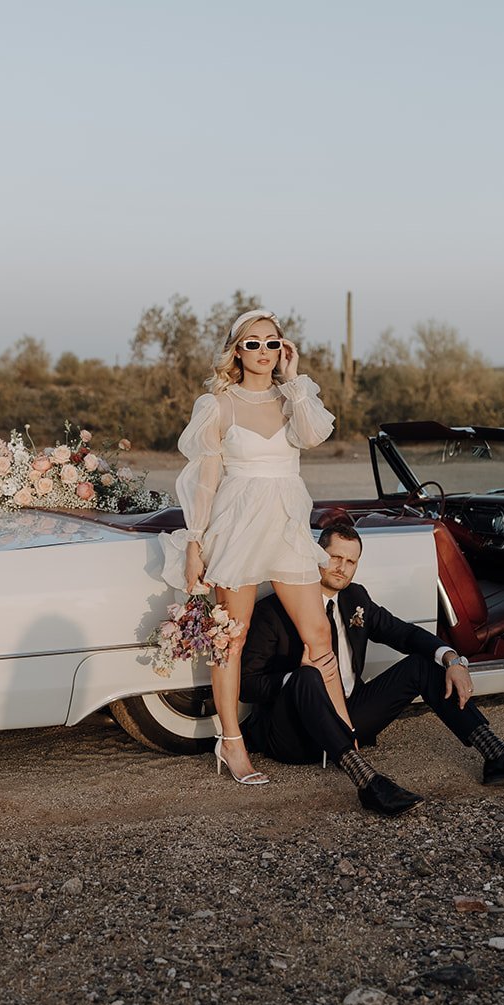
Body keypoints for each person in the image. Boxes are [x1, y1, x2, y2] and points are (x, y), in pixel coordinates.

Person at [239, 520, 504, 815]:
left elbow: (404, 633)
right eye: (335, 558)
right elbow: (248, 684)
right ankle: (367, 782)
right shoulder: (274, 611)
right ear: (316, 556)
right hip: (294, 734)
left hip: (350, 715)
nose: (342, 568)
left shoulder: (356, 599)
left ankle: (497, 756)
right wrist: (294, 677)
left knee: (424, 664)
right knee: (307, 675)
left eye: (351, 562)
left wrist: (452, 658)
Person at [161, 310, 342, 786]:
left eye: (271, 343)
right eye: (252, 344)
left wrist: (295, 377)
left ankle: (340, 734)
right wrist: (195, 543)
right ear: (235, 351)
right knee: (231, 640)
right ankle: (232, 742)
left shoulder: (294, 397)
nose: (263, 351)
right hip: (238, 524)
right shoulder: (217, 404)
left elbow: (313, 436)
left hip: (285, 524)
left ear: (283, 348)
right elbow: (205, 481)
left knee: (318, 632)